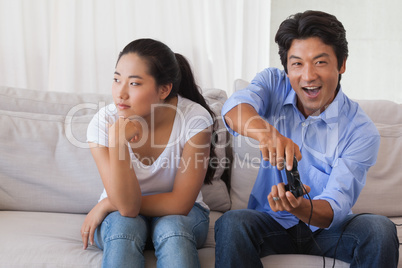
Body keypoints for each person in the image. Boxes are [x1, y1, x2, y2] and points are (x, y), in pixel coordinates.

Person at [215, 10, 399, 268]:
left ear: (342, 64)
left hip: (327, 230)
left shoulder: (360, 130)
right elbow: (233, 110)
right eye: (297, 64)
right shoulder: (273, 83)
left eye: (320, 62)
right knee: (232, 224)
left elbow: (336, 205)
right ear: (287, 67)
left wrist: (299, 206)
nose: (308, 76)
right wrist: (268, 133)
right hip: (271, 221)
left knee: (379, 230)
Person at [81, 38, 216, 268]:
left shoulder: (194, 119)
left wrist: (108, 204)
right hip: (122, 215)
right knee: (124, 226)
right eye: (116, 80)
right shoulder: (103, 123)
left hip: (184, 214)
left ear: (164, 89)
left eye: (134, 84)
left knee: (172, 228)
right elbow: (127, 210)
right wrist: (117, 142)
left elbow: (180, 204)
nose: (120, 93)